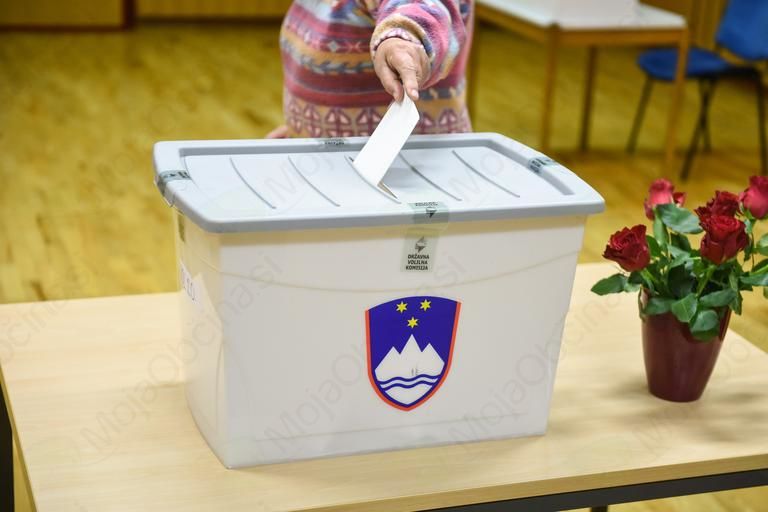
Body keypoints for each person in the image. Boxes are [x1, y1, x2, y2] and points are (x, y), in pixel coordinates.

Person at [269, 0, 473, 139]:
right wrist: (302, 133)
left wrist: (402, 38)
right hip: (340, 159)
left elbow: (422, 7)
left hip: (413, 164)